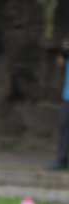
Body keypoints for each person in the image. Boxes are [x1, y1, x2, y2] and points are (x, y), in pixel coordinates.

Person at [48, 38, 69, 170]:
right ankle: (62, 160)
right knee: (64, 127)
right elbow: (60, 63)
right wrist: (64, 50)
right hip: (67, 95)